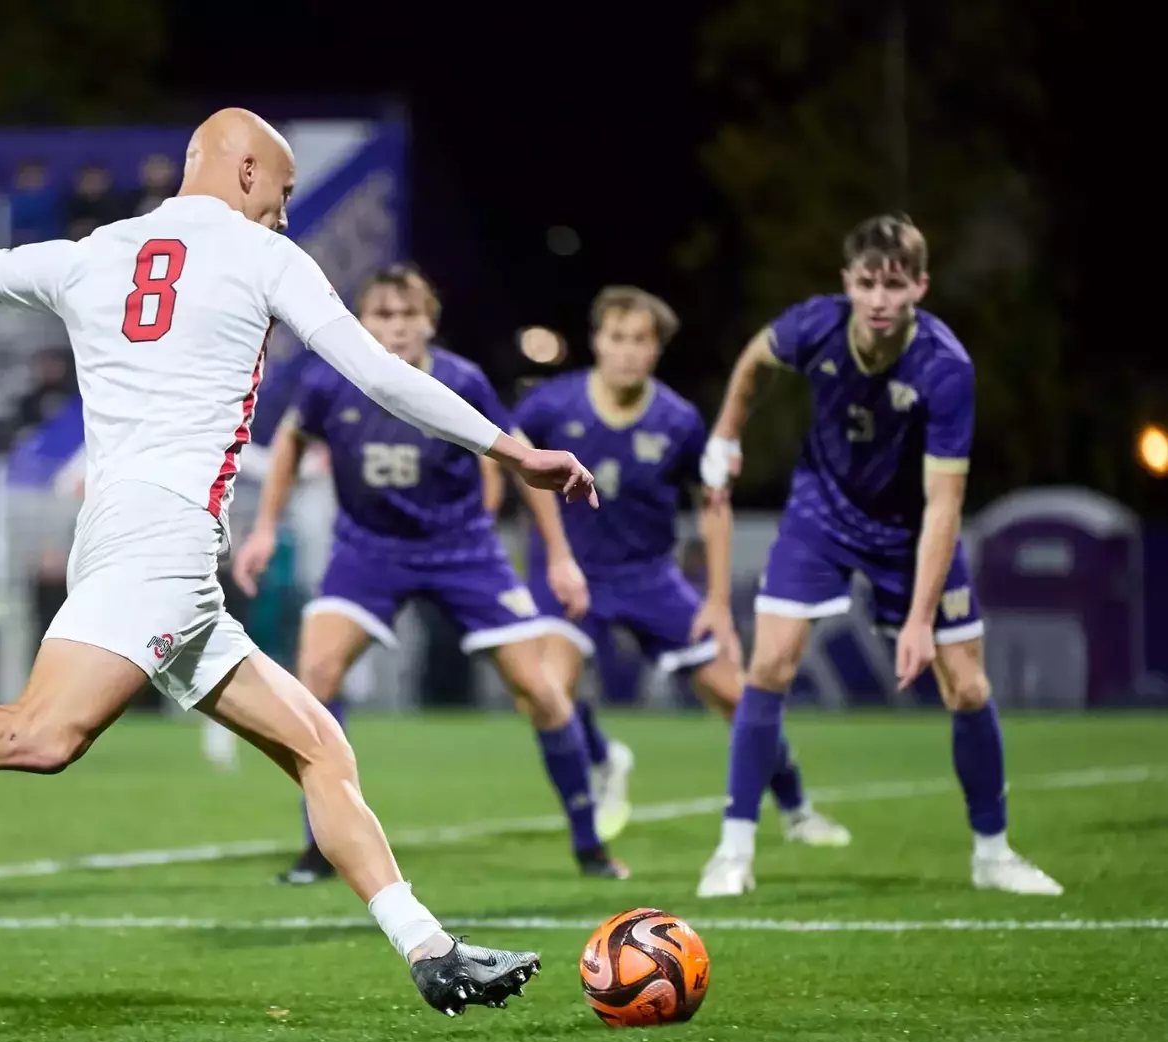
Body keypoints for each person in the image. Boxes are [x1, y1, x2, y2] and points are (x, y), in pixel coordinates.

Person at [0, 108, 598, 1016]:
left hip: (143, 542)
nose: (284, 215)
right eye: (281, 196)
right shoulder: (262, 255)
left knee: (320, 745)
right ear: (245, 173)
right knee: (41, 734)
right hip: (160, 540)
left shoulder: (93, 252)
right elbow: (382, 374)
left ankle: (430, 951)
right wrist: (511, 452)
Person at [694, 213, 1061, 898]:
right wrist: (725, 436)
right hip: (822, 513)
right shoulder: (816, 325)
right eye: (867, 283)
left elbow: (945, 504)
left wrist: (919, 619)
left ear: (920, 285)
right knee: (768, 663)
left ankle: (993, 853)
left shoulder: (945, 369)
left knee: (968, 686)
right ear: (847, 283)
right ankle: (733, 850)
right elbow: (753, 360)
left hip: (910, 527)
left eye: (895, 284)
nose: (880, 299)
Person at [233, 264, 629, 885]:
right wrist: (264, 527)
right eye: (383, 315)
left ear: (429, 322)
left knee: (541, 689)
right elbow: (288, 442)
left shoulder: (463, 379)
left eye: (408, 315)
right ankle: (319, 847)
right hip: (368, 551)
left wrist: (559, 557)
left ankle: (590, 844)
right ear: (362, 321)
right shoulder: (331, 377)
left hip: (462, 550)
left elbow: (524, 464)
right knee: (316, 673)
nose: (395, 328)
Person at [513, 285, 848, 851]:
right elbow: (514, 458)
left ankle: (796, 809)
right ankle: (604, 759)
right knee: (545, 690)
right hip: (575, 575)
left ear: (656, 350)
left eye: (640, 340)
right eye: (616, 337)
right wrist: (555, 556)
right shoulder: (552, 405)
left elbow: (713, 502)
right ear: (597, 341)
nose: (626, 351)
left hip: (650, 576)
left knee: (736, 697)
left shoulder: (678, 420)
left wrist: (717, 601)